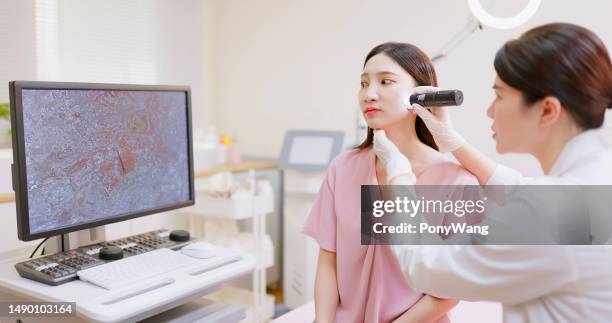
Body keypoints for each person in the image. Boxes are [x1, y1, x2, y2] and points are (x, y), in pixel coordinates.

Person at [376, 23, 612, 322]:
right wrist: (454, 143)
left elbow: (426, 266)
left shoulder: (553, 211)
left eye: (499, 96)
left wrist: (399, 176)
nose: (489, 111)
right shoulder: (598, 173)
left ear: (547, 110)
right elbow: (523, 189)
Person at [302, 42, 480, 323]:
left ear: (420, 95)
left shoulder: (457, 182)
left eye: (385, 82)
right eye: (363, 83)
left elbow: (448, 292)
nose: (369, 94)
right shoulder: (343, 169)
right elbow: (328, 260)